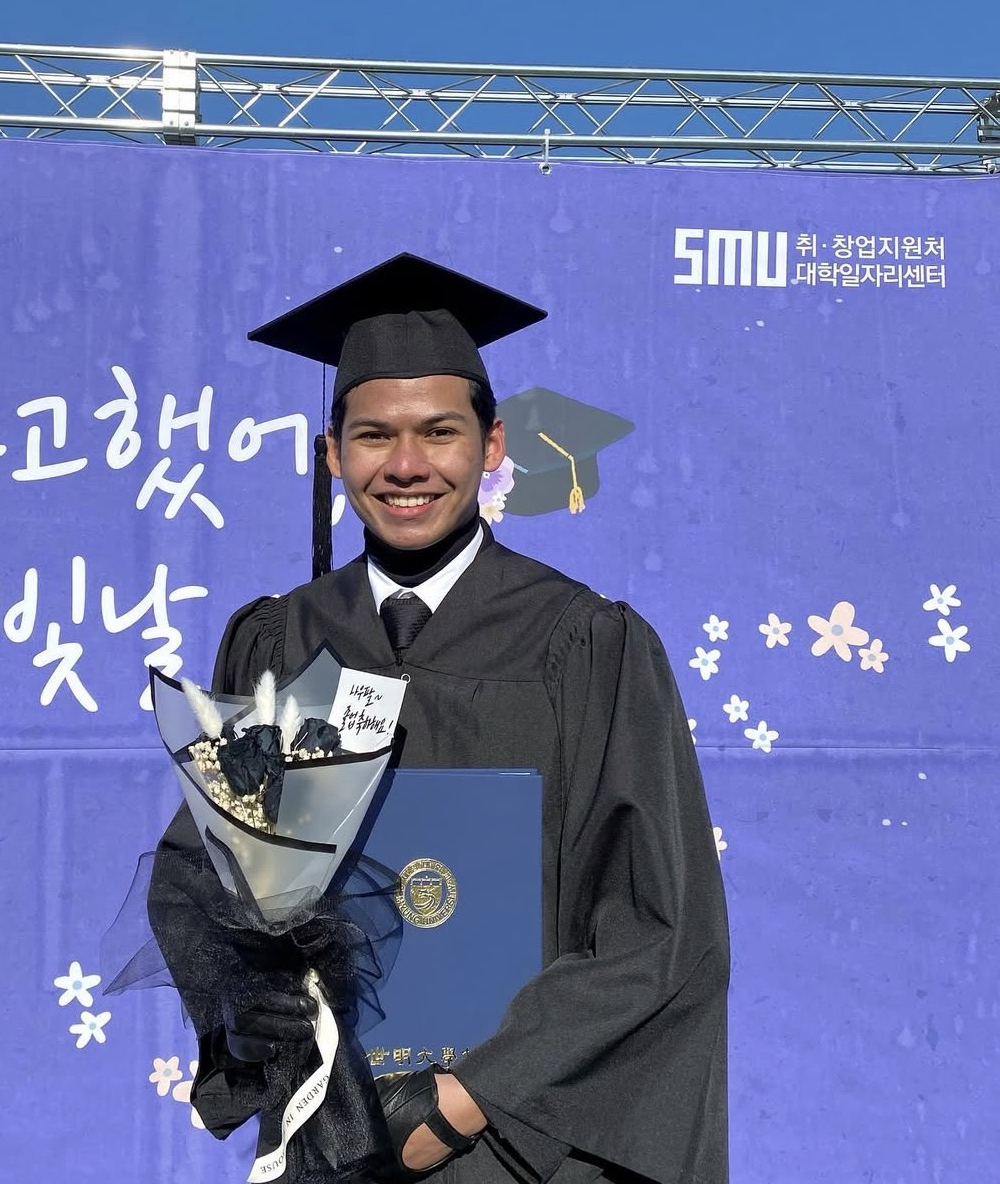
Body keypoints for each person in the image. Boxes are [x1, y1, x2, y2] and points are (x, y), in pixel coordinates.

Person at [152, 254, 729, 1184]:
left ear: (494, 445)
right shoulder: (277, 641)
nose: (407, 465)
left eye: (440, 432)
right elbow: (204, 875)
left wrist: (459, 1102)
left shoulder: (585, 646)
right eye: (374, 435)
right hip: (331, 1132)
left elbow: (659, 928)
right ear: (332, 451)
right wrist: (245, 1009)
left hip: (514, 1140)